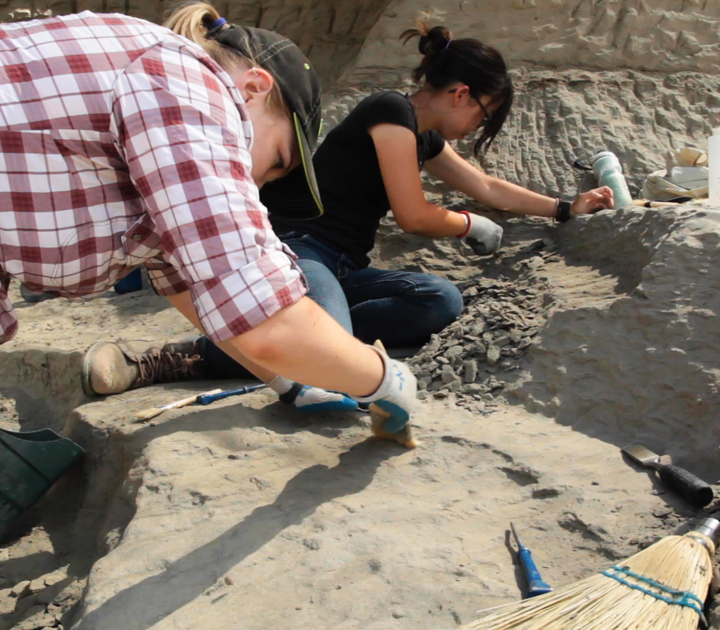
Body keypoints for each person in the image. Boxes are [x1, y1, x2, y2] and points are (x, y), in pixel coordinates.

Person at [104, 20, 612, 391]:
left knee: (440, 300)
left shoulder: (424, 138)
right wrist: (466, 225)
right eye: (484, 114)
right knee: (328, 365)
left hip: (343, 265)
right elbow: (414, 215)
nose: (478, 126)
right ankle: (189, 358)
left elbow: (485, 185)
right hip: (301, 250)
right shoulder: (389, 111)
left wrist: (566, 208)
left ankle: (320, 330)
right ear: (461, 94)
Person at [0, 4, 416, 433]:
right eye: (276, 162)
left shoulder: (151, 130)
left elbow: (194, 289)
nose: (257, 185)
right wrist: (385, 379)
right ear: (252, 88)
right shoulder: (187, 83)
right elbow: (261, 316)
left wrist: (287, 383)